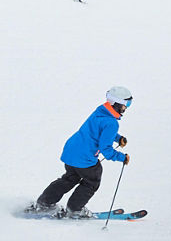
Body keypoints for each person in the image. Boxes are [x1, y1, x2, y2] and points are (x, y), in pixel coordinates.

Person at [30, 86, 132, 218]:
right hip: (83, 157)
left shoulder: (100, 111)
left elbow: (98, 129)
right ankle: (75, 209)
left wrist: (118, 138)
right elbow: (106, 150)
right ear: (117, 103)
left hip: (71, 151)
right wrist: (122, 157)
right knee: (92, 180)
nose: (127, 108)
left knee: (69, 178)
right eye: (126, 104)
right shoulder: (112, 123)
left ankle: (44, 203)